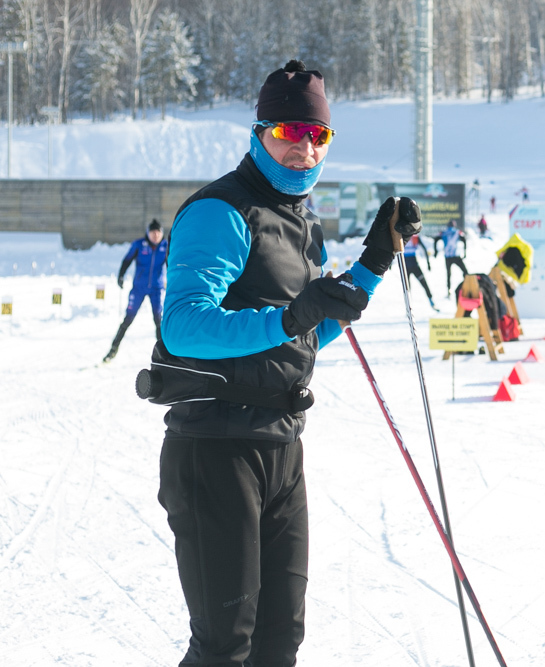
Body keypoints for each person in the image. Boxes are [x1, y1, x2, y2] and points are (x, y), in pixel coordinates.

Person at [148, 59, 421, 667]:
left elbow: (301, 335)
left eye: (317, 135)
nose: (303, 149)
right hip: (217, 448)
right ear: (258, 134)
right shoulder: (221, 212)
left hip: (281, 447)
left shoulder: (301, 222)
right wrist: (290, 317)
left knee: (279, 643)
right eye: (288, 133)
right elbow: (186, 326)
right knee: (225, 647)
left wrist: (373, 263)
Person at [103, 219, 169, 362]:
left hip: (156, 289)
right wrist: (121, 275)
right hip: (139, 287)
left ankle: (164, 356)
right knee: (128, 318)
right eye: (153, 233)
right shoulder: (139, 245)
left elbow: (171, 264)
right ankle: (113, 350)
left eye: (158, 233)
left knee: (158, 319)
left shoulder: (165, 246)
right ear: (148, 233)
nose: (155, 236)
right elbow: (127, 260)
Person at [403, 234, 438, 311]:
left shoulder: (414, 237)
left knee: (423, 283)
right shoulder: (401, 238)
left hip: (414, 266)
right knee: (407, 288)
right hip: (406, 268)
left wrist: (428, 263)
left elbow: (424, 249)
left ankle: (431, 301)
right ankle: (408, 306)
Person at [434, 219, 469, 292]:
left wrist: (436, 252)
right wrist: (464, 252)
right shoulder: (456, 232)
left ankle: (449, 289)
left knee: (448, 274)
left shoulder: (443, 233)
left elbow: (436, 239)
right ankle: (468, 284)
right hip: (456, 255)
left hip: (447, 257)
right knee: (465, 271)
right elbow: (464, 239)